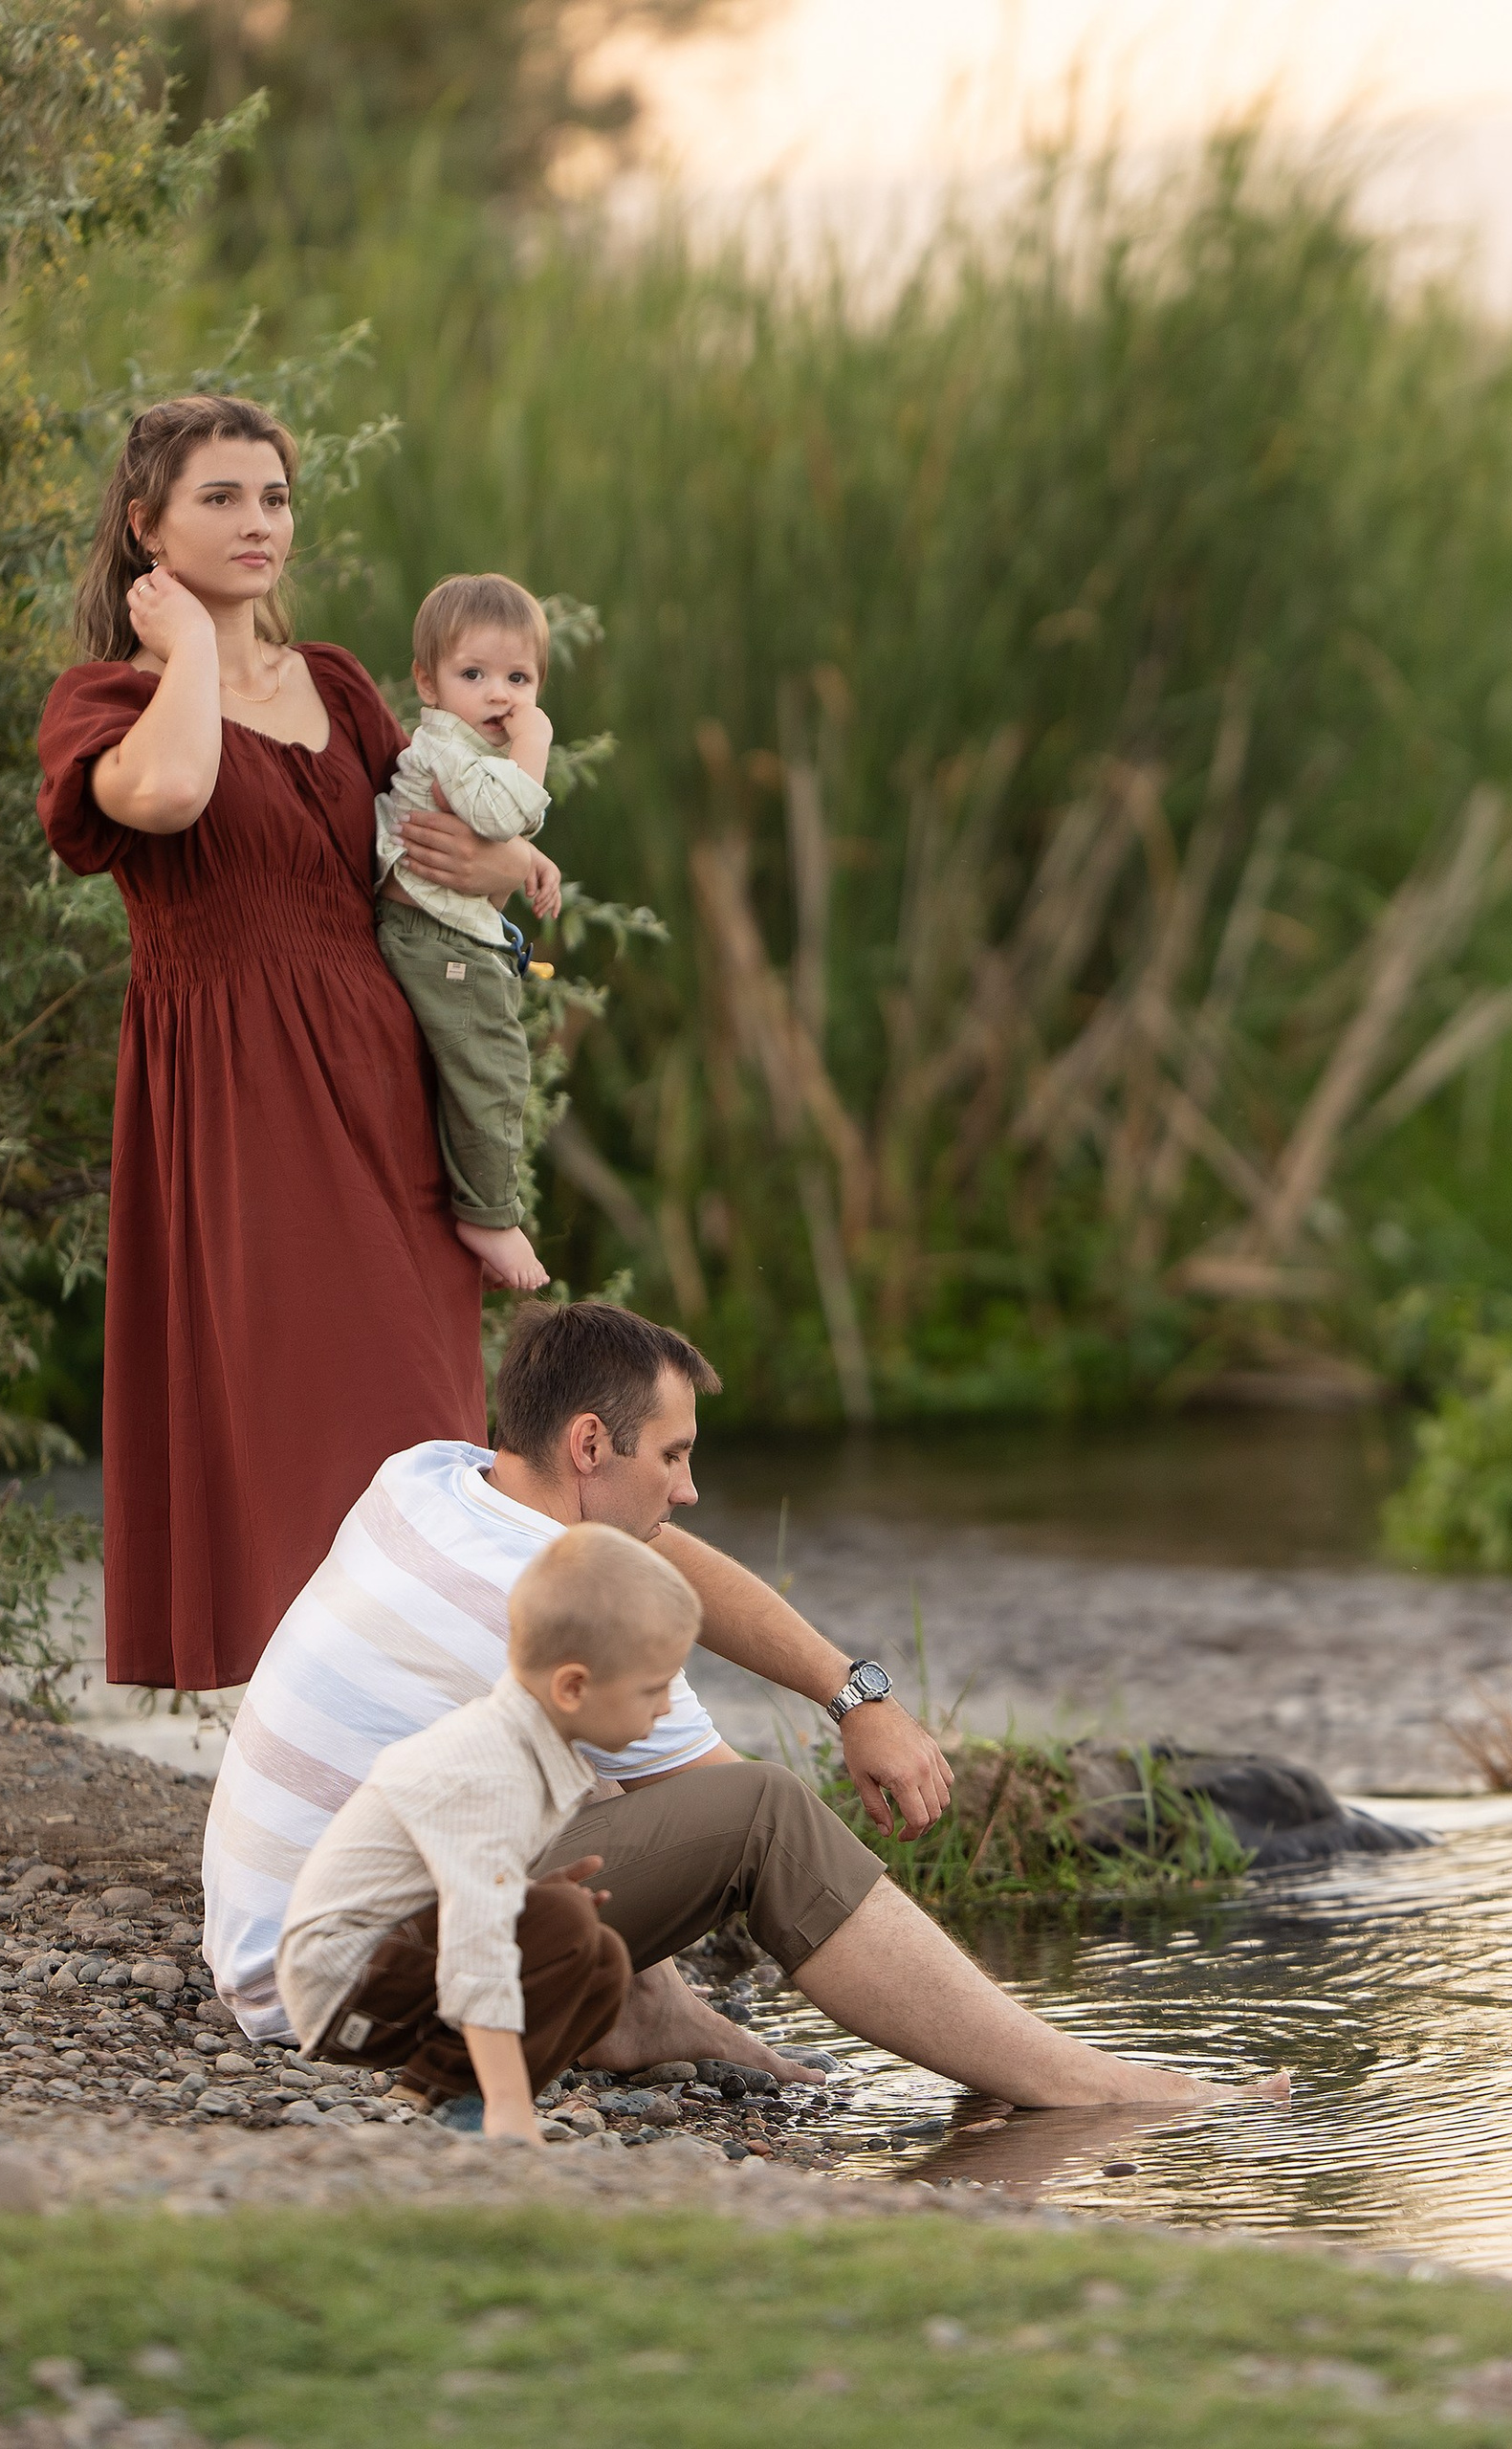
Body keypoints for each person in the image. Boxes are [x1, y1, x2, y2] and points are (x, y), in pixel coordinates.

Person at [206, 1300, 1269, 2108]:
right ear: (588, 1445)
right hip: (348, 2001)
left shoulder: (432, 1478)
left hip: (280, 1948)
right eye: (672, 1455)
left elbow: (660, 1555)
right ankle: (1090, 2086)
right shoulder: (549, 1604)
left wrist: (850, 1691)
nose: (688, 1487)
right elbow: (753, 1843)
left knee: (576, 1777)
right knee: (761, 1814)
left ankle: (646, 2013)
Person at [33, 395, 558, 1690]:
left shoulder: (332, 682)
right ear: (147, 524)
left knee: (429, 1434)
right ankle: (328, 1762)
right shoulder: (107, 699)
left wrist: (505, 860)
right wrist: (196, 653)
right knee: (310, 1429)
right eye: (222, 498)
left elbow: (421, 853)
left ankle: (439, 1750)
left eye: (275, 497)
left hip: (389, 1091)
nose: (259, 522)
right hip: (241, 1106)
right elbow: (169, 793)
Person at [275, 1526, 688, 2141]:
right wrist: (513, 2108)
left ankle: (437, 2093)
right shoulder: (487, 1771)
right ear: (572, 1687)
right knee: (565, 1926)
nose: (666, 1710)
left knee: (603, 1962)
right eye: (654, 1690)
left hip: (395, 1963)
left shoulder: (526, 1746)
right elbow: (477, 1944)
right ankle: (482, 2111)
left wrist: (533, 1895)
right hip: (345, 1986)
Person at [372, 572, 562, 1296]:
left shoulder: (468, 751)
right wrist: (536, 739)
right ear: (429, 681)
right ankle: (487, 1214)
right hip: (435, 939)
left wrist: (529, 862)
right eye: (473, 674)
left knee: (488, 1065)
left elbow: (498, 829)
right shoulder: (446, 745)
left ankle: (481, 1202)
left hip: (445, 933)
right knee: (492, 1067)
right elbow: (493, 814)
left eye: (519, 678)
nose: (500, 695)